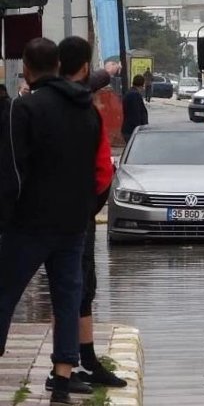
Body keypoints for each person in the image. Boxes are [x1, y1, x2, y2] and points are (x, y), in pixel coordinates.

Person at [0, 38, 101, 406]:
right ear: (58, 65)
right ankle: (61, 383)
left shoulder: (24, 110)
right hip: (73, 224)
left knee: (4, 294)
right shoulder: (88, 109)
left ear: (26, 66)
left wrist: (5, 216)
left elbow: (13, 170)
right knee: (67, 301)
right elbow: (94, 169)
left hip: (29, 224)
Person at [57, 36, 128, 390]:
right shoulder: (86, 112)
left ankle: (72, 366)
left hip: (34, 217)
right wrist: (91, 208)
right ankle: (76, 364)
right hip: (76, 217)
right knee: (79, 289)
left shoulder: (30, 105)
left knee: (58, 290)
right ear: (84, 67)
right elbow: (103, 171)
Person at [122, 75, 148, 143]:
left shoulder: (130, 92)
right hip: (132, 131)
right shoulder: (135, 95)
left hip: (129, 129)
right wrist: (139, 130)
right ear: (142, 84)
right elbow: (136, 115)